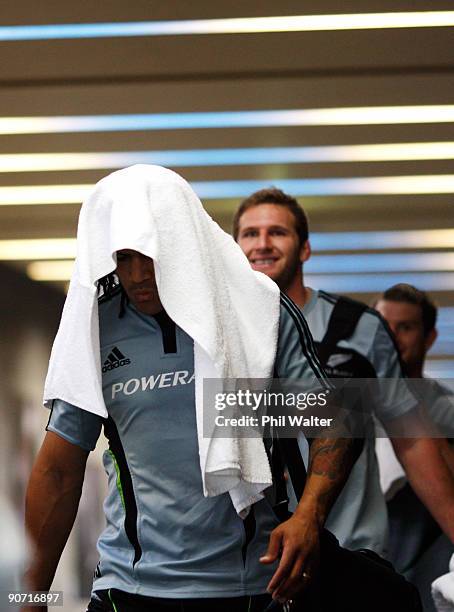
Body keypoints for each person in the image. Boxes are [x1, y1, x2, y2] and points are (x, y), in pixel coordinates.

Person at [24, 166, 358, 612]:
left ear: (181, 243)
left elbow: (331, 421)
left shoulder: (257, 310)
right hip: (129, 588)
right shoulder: (96, 330)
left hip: (248, 589)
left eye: (150, 254)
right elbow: (58, 472)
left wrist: (308, 518)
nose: (139, 274)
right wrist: (27, 598)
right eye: (124, 258)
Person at [234, 187, 454, 558]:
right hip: (252, 558)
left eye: (278, 232)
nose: (263, 243)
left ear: (304, 248)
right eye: (250, 234)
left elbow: (412, 439)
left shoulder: (360, 327)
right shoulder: (220, 333)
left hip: (350, 549)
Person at [374, 284, 454, 611]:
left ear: (429, 337)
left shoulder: (445, 407)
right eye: (383, 327)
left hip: (428, 564)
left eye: (404, 328)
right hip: (365, 555)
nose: (391, 337)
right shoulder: (349, 403)